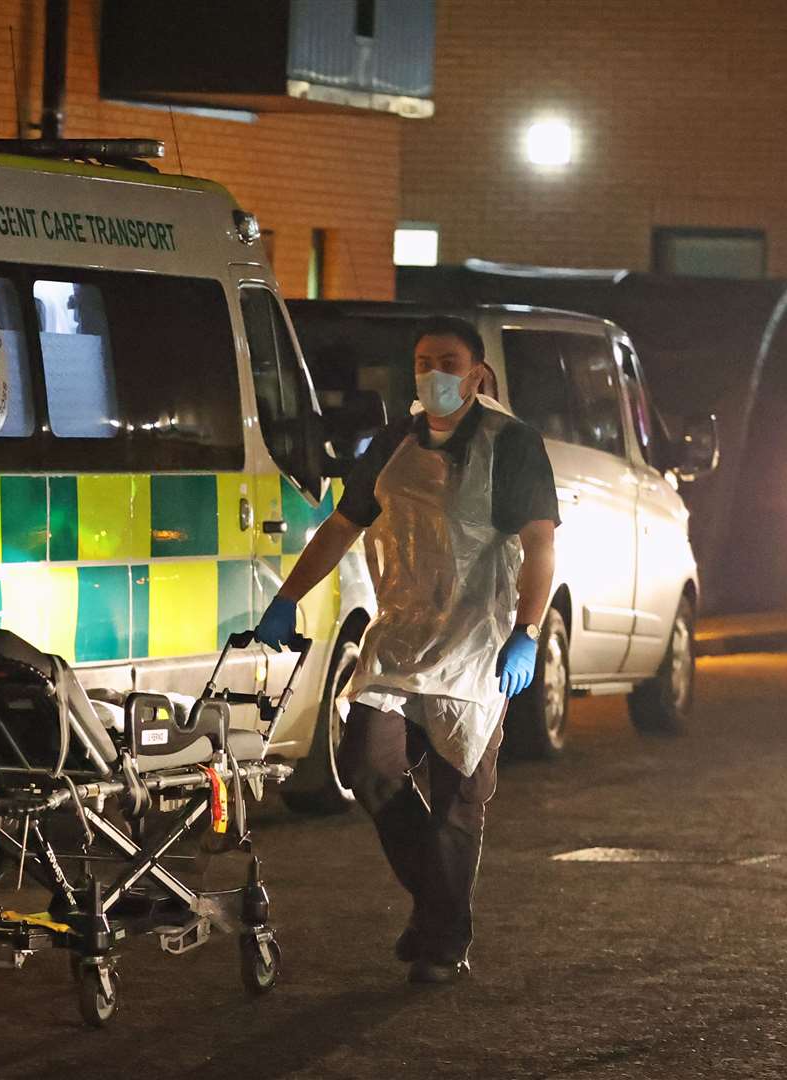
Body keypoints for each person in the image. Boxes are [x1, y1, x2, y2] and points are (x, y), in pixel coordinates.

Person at [253, 315, 558, 984]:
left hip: (477, 645)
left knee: (457, 798)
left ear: (477, 373)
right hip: (398, 636)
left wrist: (526, 632)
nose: (433, 375)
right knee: (368, 764)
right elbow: (341, 525)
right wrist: (287, 597)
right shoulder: (392, 440)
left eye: (448, 362)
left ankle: (439, 945)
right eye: (423, 362)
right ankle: (440, 912)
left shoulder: (511, 444)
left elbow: (540, 544)